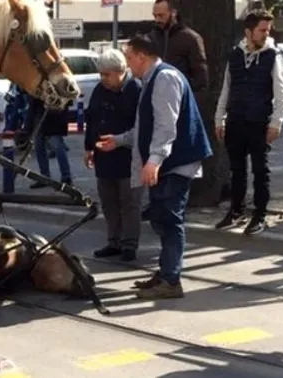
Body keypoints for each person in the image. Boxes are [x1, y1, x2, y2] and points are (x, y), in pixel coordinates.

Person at [95, 35, 213, 300]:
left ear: (141, 56)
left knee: (170, 220)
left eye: (128, 57)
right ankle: (166, 273)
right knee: (161, 218)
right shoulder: (151, 79)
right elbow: (145, 126)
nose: (127, 63)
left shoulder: (164, 78)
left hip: (175, 163)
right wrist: (120, 140)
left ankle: (171, 280)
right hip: (168, 162)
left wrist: (154, 160)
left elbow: (165, 126)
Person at [212, 10, 283, 235]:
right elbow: (226, 89)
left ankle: (260, 214)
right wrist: (219, 118)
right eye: (262, 30)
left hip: (258, 121)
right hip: (236, 120)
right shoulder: (235, 55)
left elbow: (281, 93)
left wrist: (277, 122)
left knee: (260, 170)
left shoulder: (273, 56)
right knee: (237, 170)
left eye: (268, 30)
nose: (266, 34)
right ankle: (236, 210)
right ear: (248, 31)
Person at [84, 49, 143, 262]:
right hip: (104, 157)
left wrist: (119, 141)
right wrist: (89, 147)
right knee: (109, 202)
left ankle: (129, 244)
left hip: (128, 157)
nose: (103, 79)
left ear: (120, 71)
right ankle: (113, 241)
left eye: (107, 75)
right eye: (101, 75)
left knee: (129, 202)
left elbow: (141, 127)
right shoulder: (100, 90)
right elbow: (91, 117)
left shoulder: (135, 90)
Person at [148, 0, 209, 93]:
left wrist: (183, 91)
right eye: (155, 16)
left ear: (173, 13)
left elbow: (200, 77)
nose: (157, 20)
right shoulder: (152, 37)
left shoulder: (191, 39)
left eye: (161, 15)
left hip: (180, 95)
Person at [22, 93, 73, 188]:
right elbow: (32, 101)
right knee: (39, 147)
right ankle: (45, 177)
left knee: (57, 146)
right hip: (40, 115)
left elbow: (68, 98)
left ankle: (66, 177)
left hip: (53, 117)